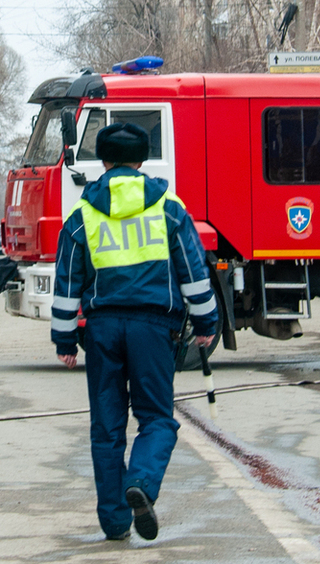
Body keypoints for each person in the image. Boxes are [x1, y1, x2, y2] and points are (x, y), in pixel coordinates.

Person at [51, 123, 218, 541]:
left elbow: (67, 282)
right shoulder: (169, 208)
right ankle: (140, 483)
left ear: (103, 161)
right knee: (158, 420)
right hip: (153, 327)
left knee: (106, 429)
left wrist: (65, 339)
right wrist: (206, 324)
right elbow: (194, 272)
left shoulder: (82, 214)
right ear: (142, 160)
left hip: (103, 329)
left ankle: (114, 523)